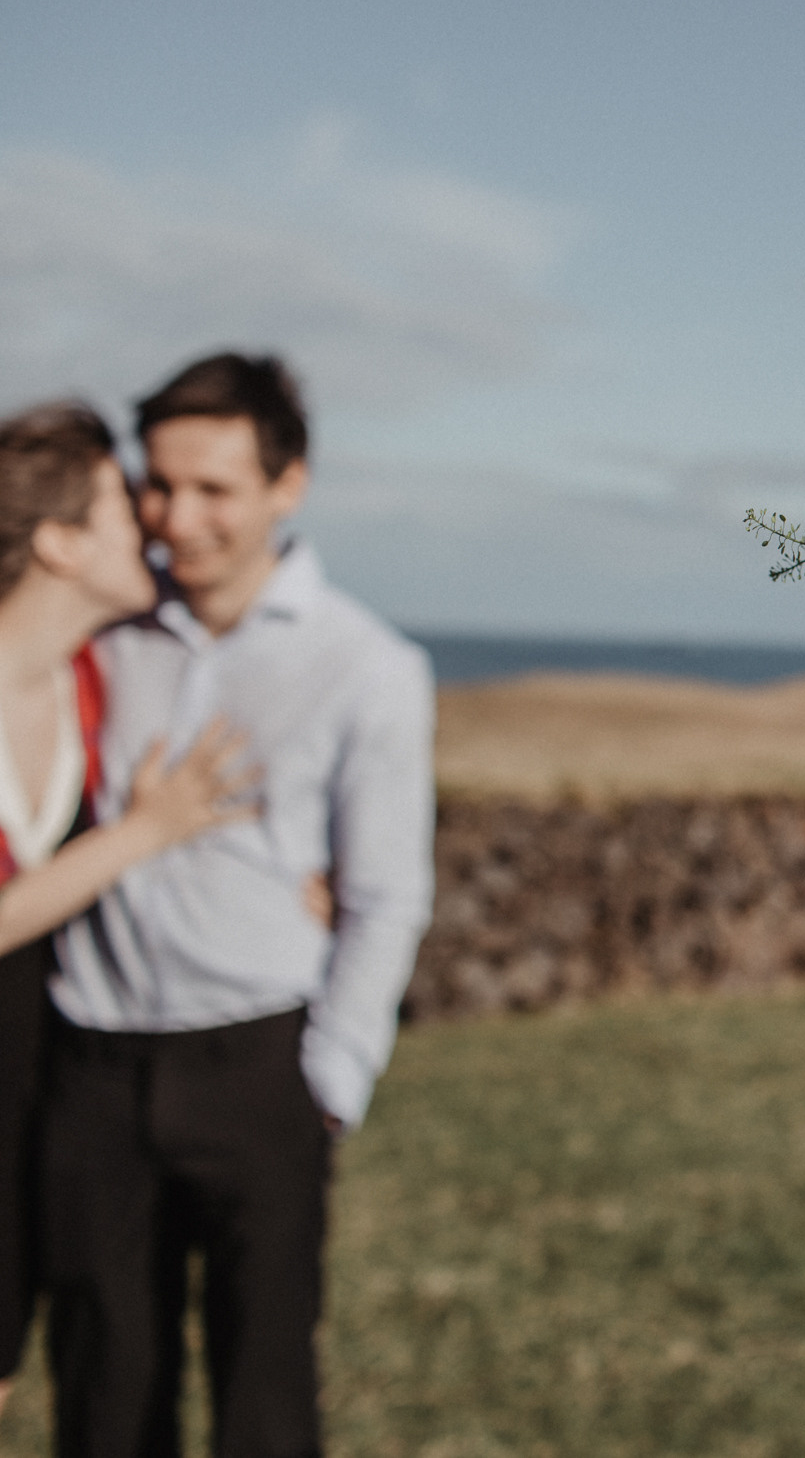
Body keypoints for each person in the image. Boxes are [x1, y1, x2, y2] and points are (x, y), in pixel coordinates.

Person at [41, 354, 434, 1458]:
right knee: (105, 1397)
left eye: (215, 488)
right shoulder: (100, 626)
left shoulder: (369, 666)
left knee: (265, 1401)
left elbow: (388, 891)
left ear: (287, 484)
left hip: (262, 1067)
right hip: (93, 1067)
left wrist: (330, 1079)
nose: (180, 517)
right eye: (159, 486)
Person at [0, 402, 256, 1423]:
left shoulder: (96, 686)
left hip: (29, 1115)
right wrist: (142, 834)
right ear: (59, 542)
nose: (153, 523)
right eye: (120, 503)